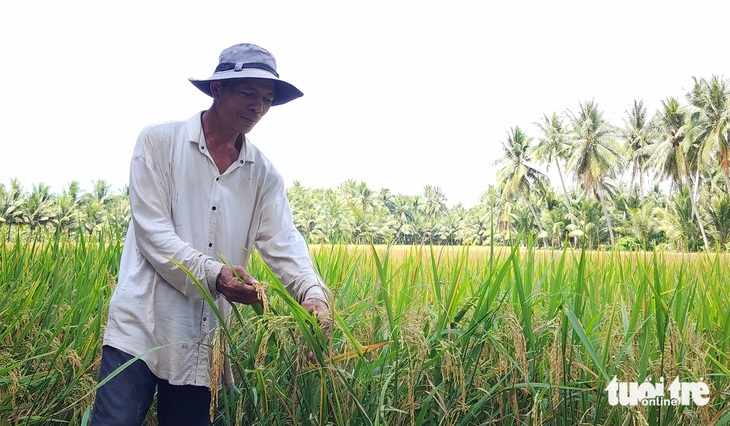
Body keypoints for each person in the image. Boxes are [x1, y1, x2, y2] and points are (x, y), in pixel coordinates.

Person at [91, 43, 331, 425]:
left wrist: (312, 294)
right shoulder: (158, 142)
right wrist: (215, 275)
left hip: (203, 341)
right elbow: (153, 234)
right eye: (248, 92)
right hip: (140, 326)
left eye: (266, 98)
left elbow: (283, 241)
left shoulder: (263, 175)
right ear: (217, 88)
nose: (258, 106)